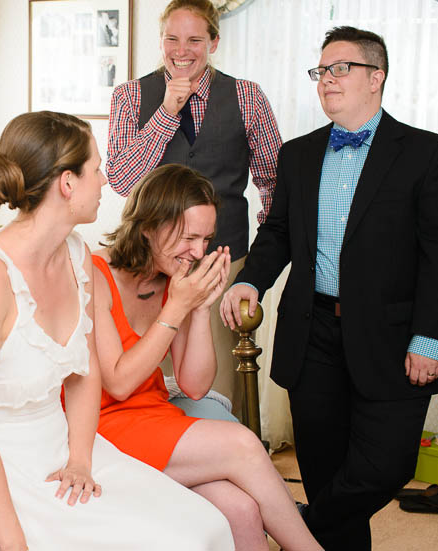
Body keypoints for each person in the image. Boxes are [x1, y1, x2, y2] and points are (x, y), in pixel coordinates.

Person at [0, 111, 234, 551]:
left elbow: (86, 373)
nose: (105, 180)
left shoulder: (76, 254)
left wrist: (81, 460)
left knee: (206, 525)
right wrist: (14, 543)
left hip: (63, 441)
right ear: (67, 183)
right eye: (96, 168)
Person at [220, 27, 438, 551]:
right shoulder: (299, 154)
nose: (326, 80)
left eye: (340, 69)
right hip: (312, 337)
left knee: (386, 465)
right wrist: (250, 281)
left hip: (395, 340)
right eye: (320, 71)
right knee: (326, 469)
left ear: (376, 77)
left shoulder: (427, 153)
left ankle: (292, 526)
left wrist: (429, 337)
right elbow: (278, 233)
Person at [93, 163, 322, 551]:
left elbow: (195, 386)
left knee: (242, 510)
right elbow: (117, 382)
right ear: (149, 225)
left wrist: (198, 309)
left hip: (152, 415)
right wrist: (176, 309)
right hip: (99, 426)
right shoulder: (95, 272)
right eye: (189, 237)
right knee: (243, 444)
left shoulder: (174, 283)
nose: (199, 252)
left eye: (207, 239)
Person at [106, 0, 282, 416]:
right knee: (143, 386)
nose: (181, 50)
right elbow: (123, 179)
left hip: (220, 262)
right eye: (172, 38)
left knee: (212, 390)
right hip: (144, 266)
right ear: (161, 40)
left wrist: (255, 263)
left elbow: (274, 183)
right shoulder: (130, 96)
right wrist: (167, 111)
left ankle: (218, 466)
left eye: (194, 40)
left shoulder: (247, 97)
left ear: (214, 42)